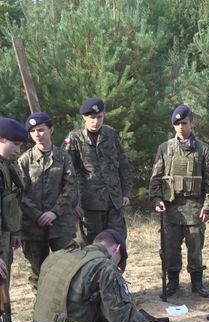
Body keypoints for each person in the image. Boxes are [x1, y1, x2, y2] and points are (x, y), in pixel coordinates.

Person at [149, 104, 209, 298]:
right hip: (171, 208)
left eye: (184, 123)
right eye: (177, 124)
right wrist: (157, 200)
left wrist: (208, 207)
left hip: (194, 208)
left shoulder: (203, 150)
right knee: (170, 248)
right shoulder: (165, 149)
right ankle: (173, 282)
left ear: (191, 123)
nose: (181, 127)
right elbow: (155, 179)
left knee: (195, 247)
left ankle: (197, 283)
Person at [18, 112, 78, 289]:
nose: (37, 134)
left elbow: (71, 188)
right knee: (39, 271)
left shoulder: (63, 158)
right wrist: (37, 215)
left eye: (41, 130)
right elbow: (20, 193)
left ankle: (68, 307)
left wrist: (54, 212)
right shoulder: (25, 161)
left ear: (51, 130)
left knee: (67, 268)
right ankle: (42, 310)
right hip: (33, 227)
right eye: (33, 131)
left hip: (60, 225)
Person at [62, 97, 132, 248]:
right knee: (92, 245)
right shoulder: (74, 138)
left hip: (114, 200)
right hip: (90, 204)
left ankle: (116, 271)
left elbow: (123, 165)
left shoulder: (110, 134)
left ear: (103, 115)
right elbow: (67, 173)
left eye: (99, 117)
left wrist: (126, 193)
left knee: (117, 242)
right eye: (91, 118)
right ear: (84, 118)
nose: (95, 121)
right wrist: (74, 202)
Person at [0, 118, 28, 283]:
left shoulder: (6, 165)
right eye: (15, 144)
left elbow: (10, 202)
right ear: (1, 138)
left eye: (20, 146)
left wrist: (14, 231)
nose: (18, 150)